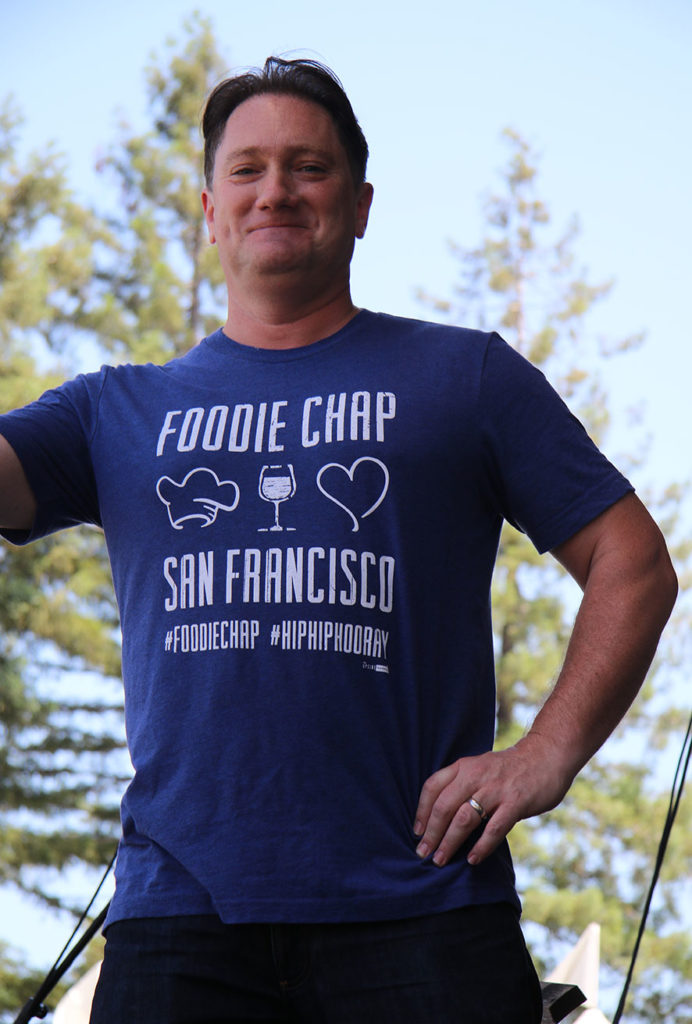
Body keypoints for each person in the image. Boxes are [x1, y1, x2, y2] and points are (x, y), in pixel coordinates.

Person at [0, 58, 677, 1024]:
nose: (275, 188)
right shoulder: (115, 411)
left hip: (426, 915)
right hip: (179, 925)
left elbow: (635, 563)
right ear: (208, 208)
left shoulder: (464, 378)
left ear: (360, 206)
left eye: (307, 167)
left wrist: (545, 755)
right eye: (247, 170)